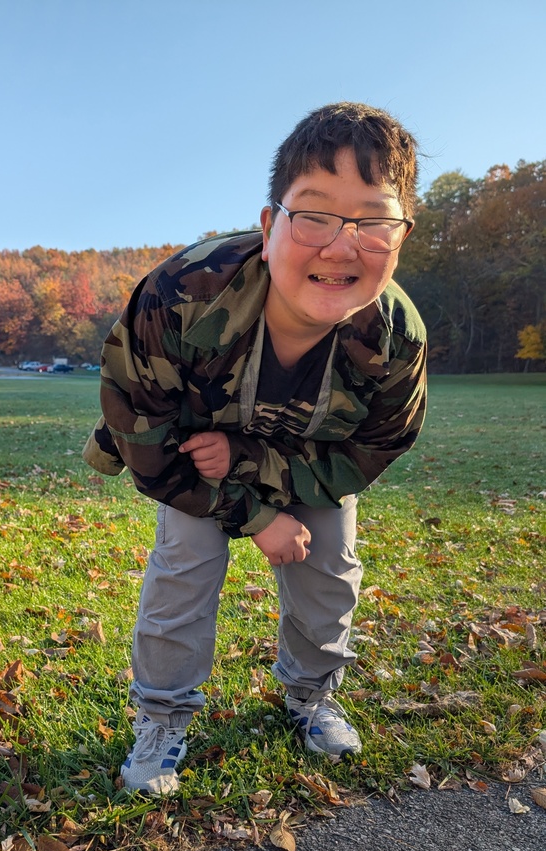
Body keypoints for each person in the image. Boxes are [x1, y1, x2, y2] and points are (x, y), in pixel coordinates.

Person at [83, 101, 427, 795]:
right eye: (315, 214)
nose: (340, 246)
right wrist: (255, 516)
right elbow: (143, 437)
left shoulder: (396, 336)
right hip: (188, 458)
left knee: (329, 568)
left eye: (372, 220)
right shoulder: (180, 294)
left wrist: (248, 468)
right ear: (271, 225)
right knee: (184, 566)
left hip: (308, 461)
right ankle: (162, 716)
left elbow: (374, 447)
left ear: (401, 237)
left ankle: (310, 696)